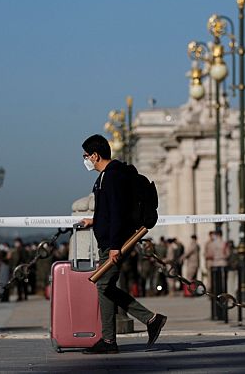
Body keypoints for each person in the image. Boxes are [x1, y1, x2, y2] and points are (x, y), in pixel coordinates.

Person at [79, 134, 166, 354]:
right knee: (105, 286)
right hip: (109, 240)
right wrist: (94, 221)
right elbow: (109, 211)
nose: (85, 160)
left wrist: (116, 245)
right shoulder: (107, 176)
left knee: (103, 285)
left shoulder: (112, 176)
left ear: (95, 155)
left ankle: (115, 338)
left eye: (86, 156)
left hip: (114, 242)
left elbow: (117, 212)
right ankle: (133, 328)